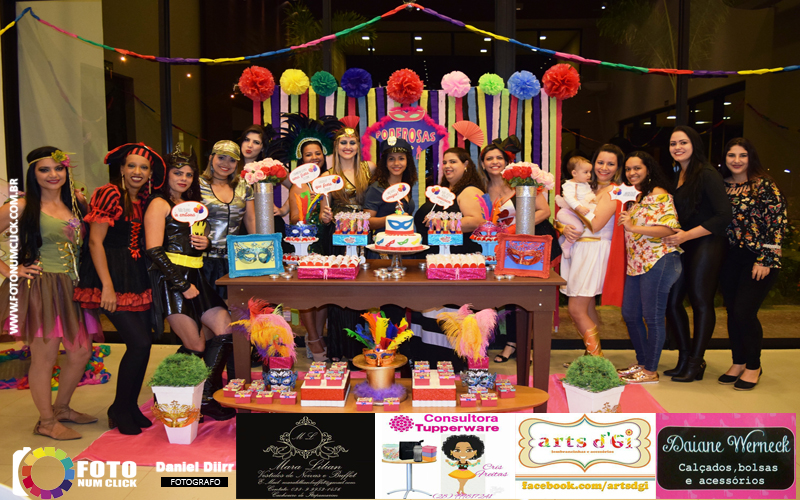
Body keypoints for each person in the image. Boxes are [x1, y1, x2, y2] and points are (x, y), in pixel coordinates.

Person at [0, 147, 101, 440]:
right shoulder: (22, 205)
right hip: (42, 288)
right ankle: (45, 422)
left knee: (81, 352)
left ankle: (62, 409)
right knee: (44, 357)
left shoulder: (77, 203)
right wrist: (10, 270)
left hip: (75, 288)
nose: (53, 175)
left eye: (58, 168)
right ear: (33, 174)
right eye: (44, 169)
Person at [73, 143, 164, 434]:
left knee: (144, 345)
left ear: (149, 173)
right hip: (109, 275)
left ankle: (129, 405)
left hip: (135, 275)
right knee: (139, 344)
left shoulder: (145, 199)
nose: (137, 171)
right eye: (131, 165)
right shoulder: (109, 193)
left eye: (143, 167)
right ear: (122, 169)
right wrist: (107, 287)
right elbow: (95, 242)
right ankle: (119, 408)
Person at [144, 148, 235, 420]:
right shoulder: (159, 203)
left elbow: (193, 242)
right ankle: (171, 393)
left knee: (225, 328)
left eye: (188, 174)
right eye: (177, 173)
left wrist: (205, 244)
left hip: (197, 276)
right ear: (166, 174)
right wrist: (181, 285)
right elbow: (154, 250)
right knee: (195, 345)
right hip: (172, 281)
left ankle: (205, 395)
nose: (183, 178)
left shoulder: (191, 205)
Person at [662, 126, 732, 382]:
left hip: (707, 242)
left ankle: (696, 361)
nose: (677, 147)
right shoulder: (678, 174)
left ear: (694, 144)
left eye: (683, 142)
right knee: (672, 301)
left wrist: (687, 235)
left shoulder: (707, 173)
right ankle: (684, 358)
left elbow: (724, 215)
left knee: (701, 302)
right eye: (673, 143)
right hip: (685, 243)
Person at [268, 113, 339, 362]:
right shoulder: (298, 185)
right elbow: (297, 217)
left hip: (327, 242)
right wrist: (314, 214)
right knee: (308, 295)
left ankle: (316, 335)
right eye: (309, 154)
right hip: (305, 245)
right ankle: (313, 339)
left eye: (318, 153)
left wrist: (328, 214)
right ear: (302, 158)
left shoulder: (328, 181)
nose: (314, 157)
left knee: (324, 295)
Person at [480, 137, 558, 363]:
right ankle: (507, 341)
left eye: (499, 158)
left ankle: (522, 345)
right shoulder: (481, 189)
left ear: (507, 162)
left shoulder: (520, 181)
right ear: (482, 163)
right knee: (506, 297)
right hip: (502, 249)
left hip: (531, 248)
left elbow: (544, 211)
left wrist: (516, 228)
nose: (494, 162)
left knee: (527, 297)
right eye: (489, 158)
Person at [717, 138, 786, 390]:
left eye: (742, 155)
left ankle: (754, 365)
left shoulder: (763, 185)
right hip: (730, 258)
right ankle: (738, 362)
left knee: (744, 311)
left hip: (758, 258)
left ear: (751, 158)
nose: (736, 160)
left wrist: (766, 258)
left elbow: (777, 223)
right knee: (732, 312)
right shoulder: (722, 185)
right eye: (731, 155)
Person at [408, 148, 486, 370]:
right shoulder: (446, 191)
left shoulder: (469, 190)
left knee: (448, 317)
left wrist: (442, 222)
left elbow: (476, 221)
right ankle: (428, 364)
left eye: (453, 161)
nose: (447, 166)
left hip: (453, 263)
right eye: (445, 162)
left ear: (466, 165)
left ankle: (448, 366)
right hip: (436, 262)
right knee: (431, 313)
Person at [617, 151, 682, 384]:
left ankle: (650, 370)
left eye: (637, 168)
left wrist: (633, 227)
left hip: (658, 260)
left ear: (648, 169)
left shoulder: (659, 194)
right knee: (630, 314)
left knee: (652, 316)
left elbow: (668, 229)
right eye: (628, 169)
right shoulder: (640, 196)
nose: (631, 173)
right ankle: (643, 363)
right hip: (638, 263)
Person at [560, 144, 627, 359]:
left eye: (610, 164)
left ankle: (596, 361)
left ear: (618, 167)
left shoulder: (615, 191)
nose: (604, 168)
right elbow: (565, 218)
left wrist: (572, 205)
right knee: (587, 308)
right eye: (600, 162)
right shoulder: (587, 187)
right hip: (579, 249)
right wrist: (562, 226)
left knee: (576, 309)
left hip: (594, 250)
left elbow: (596, 224)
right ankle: (592, 358)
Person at [324, 126, 376, 362]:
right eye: (343, 142)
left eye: (352, 142)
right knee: (340, 291)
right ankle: (339, 348)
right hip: (338, 238)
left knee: (362, 289)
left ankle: (361, 346)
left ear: (358, 146)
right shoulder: (327, 176)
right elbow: (322, 212)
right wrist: (324, 215)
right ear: (336, 147)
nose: (348, 147)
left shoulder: (369, 168)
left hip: (364, 235)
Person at [199, 140, 254, 300]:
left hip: (235, 260)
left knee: (236, 308)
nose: (226, 164)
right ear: (211, 158)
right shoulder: (198, 184)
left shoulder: (243, 186)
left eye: (232, 160)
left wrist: (258, 249)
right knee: (207, 309)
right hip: (205, 259)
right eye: (221, 157)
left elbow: (251, 219)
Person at [364, 137, 418, 256]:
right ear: (385, 163)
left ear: (408, 161)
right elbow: (366, 222)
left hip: (405, 248)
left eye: (401, 158)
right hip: (383, 252)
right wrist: (391, 219)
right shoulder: (376, 188)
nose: (396, 163)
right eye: (391, 159)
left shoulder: (405, 187)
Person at [239, 124, 292, 219]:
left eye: (256, 142)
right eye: (246, 140)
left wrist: (283, 210)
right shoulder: (230, 167)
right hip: (239, 222)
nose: (249, 145)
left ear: (262, 147)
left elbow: (296, 186)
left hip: (267, 220)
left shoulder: (268, 167)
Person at [556, 156, 596, 259]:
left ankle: (564, 241)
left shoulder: (585, 184)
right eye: (585, 172)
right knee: (578, 229)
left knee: (577, 228)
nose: (589, 175)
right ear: (574, 173)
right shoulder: (570, 185)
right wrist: (579, 207)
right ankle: (566, 246)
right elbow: (569, 198)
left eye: (590, 172)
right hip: (566, 213)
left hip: (575, 215)